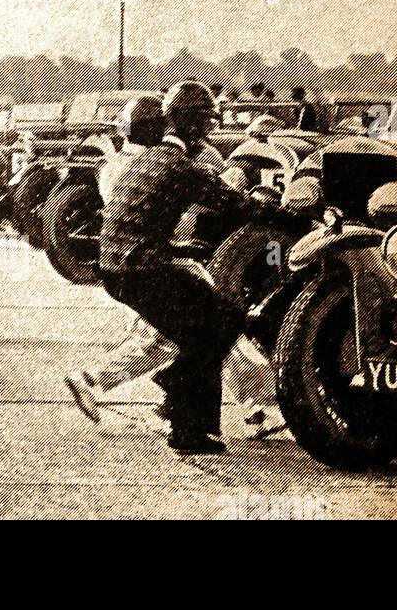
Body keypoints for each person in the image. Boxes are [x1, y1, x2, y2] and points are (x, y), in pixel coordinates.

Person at [96, 81, 292, 455]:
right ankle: (187, 424)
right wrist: (285, 214)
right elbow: (231, 204)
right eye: (205, 121)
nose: (209, 129)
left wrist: (175, 247)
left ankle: (178, 398)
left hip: (117, 266)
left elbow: (131, 219)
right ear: (191, 124)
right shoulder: (181, 165)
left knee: (200, 329)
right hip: (142, 266)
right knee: (225, 319)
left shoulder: (141, 158)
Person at [63, 95, 173, 422]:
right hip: (151, 259)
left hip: (120, 260)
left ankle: (176, 398)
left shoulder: (114, 164)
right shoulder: (150, 163)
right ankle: (92, 379)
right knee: (166, 338)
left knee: (169, 335)